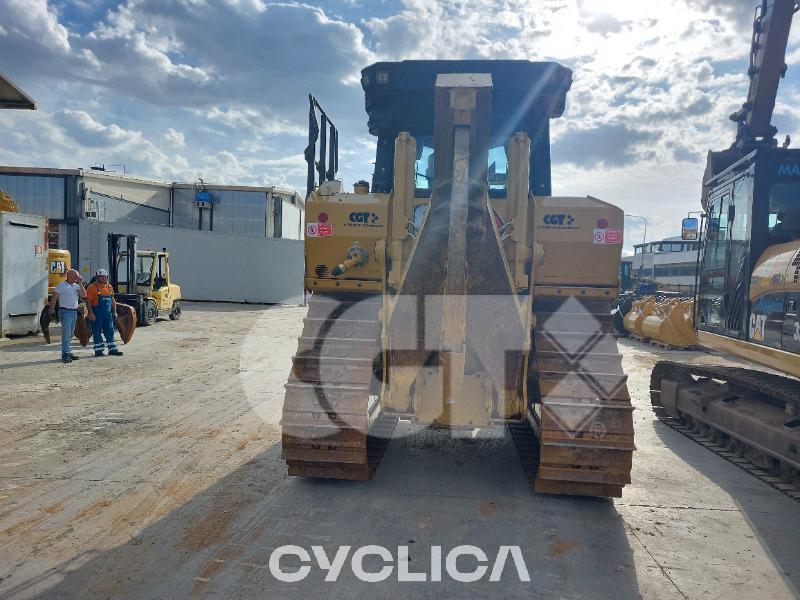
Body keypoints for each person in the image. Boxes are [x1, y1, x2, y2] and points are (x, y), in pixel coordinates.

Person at [49, 269, 85, 364]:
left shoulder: (76, 286)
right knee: (66, 334)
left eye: (77, 276)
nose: (77, 278)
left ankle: (68, 351)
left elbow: (84, 295)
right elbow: (54, 297)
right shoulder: (61, 285)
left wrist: (80, 283)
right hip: (65, 312)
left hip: (73, 312)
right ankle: (65, 353)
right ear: (69, 276)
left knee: (70, 334)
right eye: (75, 276)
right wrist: (52, 309)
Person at [85, 269, 123, 357]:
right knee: (96, 331)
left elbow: (112, 300)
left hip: (108, 314)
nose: (104, 278)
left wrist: (114, 311)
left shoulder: (109, 287)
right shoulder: (92, 287)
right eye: (101, 276)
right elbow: (88, 301)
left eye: (105, 277)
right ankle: (99, 350)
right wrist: (90, 313)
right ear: (97, 277)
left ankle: (112, 349)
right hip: (97, 313)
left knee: (110, 330)